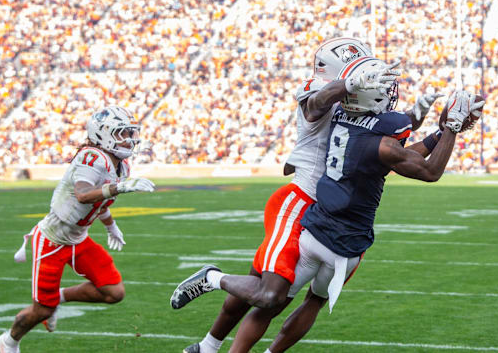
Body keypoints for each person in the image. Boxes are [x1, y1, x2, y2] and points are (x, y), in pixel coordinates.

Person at [171, 42, 444, 353]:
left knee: (267, 290)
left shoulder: (357, 103)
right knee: (269, 294)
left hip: (331, 211)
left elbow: (389, 133)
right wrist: (349, 85)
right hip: (300, 201)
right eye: (357, 68)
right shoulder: (322, 89)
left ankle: (208, 346)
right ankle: (212, 283)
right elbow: (316, 105)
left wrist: (419, 117)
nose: (365, 74)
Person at [257, 61, 485, 353]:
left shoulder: (344, 117)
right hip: (346, 240)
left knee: (271, 300)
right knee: (307, 301)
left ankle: (220, 343)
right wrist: (450, 128)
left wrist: (437, 135)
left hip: (315, 230)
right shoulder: (382, 138)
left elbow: (392, 154)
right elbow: (426, 170)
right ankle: (221, 287)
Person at [0, 105, 156, 353]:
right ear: (104, 134)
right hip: (52, 241)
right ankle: (9, 341)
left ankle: (58, 297)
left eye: (128, 133)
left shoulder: (120, 166)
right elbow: (83, 195)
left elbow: (99, 202)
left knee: (114, 292)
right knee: (42, 310)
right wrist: (119, 189)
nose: (128, 139)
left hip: (78, 239)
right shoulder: (91, 156)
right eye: (122, 133)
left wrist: (111, 226)